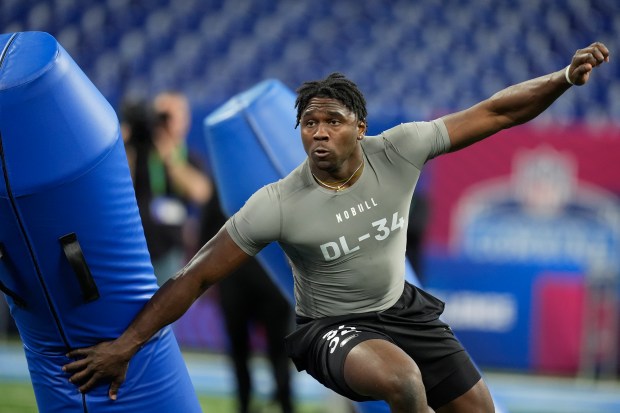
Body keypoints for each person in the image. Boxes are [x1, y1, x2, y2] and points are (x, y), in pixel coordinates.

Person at [63, 43, 609, 412]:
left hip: (403, 310)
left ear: (360, 127)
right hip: (329, 327)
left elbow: (496, 112)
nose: (319, 133)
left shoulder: (400, 149)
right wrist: (126, 345)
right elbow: (196, 275)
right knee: (401, 382)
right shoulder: (276, 203)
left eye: (332, 121)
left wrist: (563, 77)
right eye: (309, 123)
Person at [200, 191, 296, 413]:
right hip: (242, 283)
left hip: (263, 285)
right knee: (245, 352)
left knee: (276, 352)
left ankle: (282, 403)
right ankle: (247, 404)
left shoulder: (277, 187)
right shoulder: (225, 187)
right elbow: (206, 236)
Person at [122, 92, 212, 285]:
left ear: (185, 120)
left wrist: (169, 156)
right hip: (134, 246)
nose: (163, 123)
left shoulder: (188, 158)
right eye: (159, 116)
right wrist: (123, 146)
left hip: (168, 250)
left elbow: (201, 192)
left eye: (169, 117)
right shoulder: (140, 153)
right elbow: (121, 182)